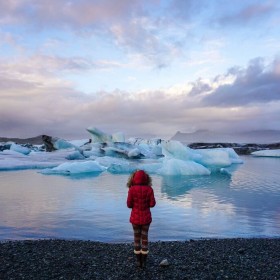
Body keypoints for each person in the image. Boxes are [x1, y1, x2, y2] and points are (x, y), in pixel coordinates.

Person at [126, 170, 156, 268]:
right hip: (146, 218)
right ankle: (144, 260)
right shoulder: (149, 189)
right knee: (145, 238)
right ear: (146, 178)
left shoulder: (131, 189)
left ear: (134, 178)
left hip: (135, 219)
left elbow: (129, 205)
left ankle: (138, 261)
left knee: (136, 238)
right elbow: (152, 204)